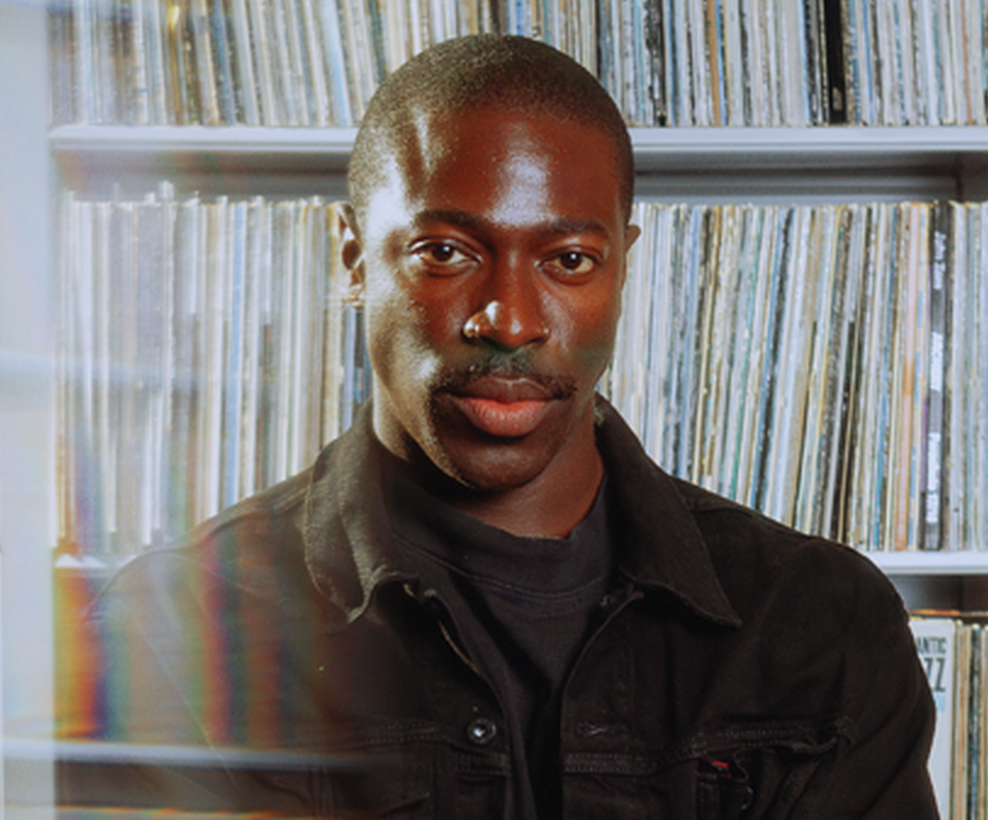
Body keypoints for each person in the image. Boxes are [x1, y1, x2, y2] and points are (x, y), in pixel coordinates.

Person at [58, 34, 939, 819]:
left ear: (622, 268)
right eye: (446, 252)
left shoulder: (821, 626)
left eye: (567, 260)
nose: (510, 320)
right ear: (357, 257)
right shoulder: (169, 634)